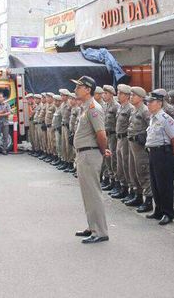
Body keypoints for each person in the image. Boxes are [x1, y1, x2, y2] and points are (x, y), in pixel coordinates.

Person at [71, 76, 111, 244]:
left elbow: (101, 134)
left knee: (93, 193)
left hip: (90, 154)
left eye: (79, 87)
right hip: (84, 154)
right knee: (87, 194)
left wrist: (103, 150)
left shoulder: (94, 108)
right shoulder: (85, 107)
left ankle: (100, 231)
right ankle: (92, 226)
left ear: (88, 89)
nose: (75, 89)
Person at [144, 89, 174, 225]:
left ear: (159, 103)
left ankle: (168, 213)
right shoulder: (153, 118)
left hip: (163, 153)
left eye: (151, 102)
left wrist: (169, 153)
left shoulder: (165, 119)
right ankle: (158, 209)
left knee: (164, 185)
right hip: (153, 153)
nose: (148, 104)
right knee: (155, 183)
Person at [126, 86, 153, 213]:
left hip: (141, 146)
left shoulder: (145, 111)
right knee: (133, 171)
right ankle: (138, 196)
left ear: (141, 97)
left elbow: (151, 128)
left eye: (134, 95)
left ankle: (148, 200)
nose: (131, 97)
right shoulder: (134, 110)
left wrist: (144, 139)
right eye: (130, 95)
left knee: (143, 172)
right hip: (132, 144)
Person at [110, 84, 133, 200]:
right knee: (119, 164)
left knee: (126, 164)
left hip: (125, 139)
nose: (118, 95)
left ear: (127, 96)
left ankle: (130, 189)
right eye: (118, 93)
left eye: (120, 93)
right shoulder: (120, 107)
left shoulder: (130, 108)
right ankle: (123, 187)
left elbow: (131, 126)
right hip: (118, 138)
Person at [101, 85, 120, 192]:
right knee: (106, 158)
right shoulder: (105, 106)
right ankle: (110, 179)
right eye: (103, 93)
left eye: (106, 93)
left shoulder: (116, 106)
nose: (104, 95)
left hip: (113, 135)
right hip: (106, 135)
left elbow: (118, 123)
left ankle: (116, 182)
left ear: (111, 94)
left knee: (113, 159)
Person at [59, 89, 73, 171]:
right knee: (64, 145)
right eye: (61, 95)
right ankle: (66, 161)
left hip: (68, 127)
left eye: (63, 95)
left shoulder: (69, 104)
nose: (61, 97)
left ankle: (70, 162)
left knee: (68, 146)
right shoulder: (62, 104)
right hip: (63, 126)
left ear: (66, 96)